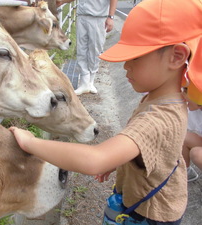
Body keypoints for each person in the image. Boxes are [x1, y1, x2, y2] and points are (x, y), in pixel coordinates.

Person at [10, 0, 202, 224]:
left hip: (150, 214)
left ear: (177, 57)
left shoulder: (158, 118)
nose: (126, 66)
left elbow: (95, 160)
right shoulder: (166, 97)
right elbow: (153, 148)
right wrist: (120, 160)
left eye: (136, 57)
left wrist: (31, 143)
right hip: (156, 194)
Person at [57, 0, 118, 95]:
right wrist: (62, 1)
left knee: (95, 50)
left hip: (99, 17)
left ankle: (91, 81)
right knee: (81, 49)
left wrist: (111, 17)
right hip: (82, 15)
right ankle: (84, 82)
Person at [182, 91, 202, 182]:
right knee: (183, 137)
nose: (182, 94)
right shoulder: (194, 110)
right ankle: (186, 173)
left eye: (186, 91)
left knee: (197, 154)